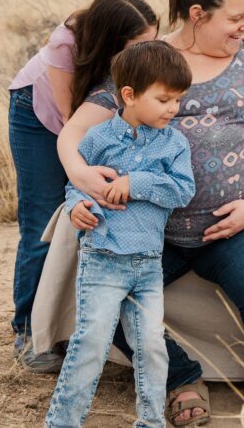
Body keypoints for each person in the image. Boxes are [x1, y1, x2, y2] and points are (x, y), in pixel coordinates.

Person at [65, 0, 244, 426]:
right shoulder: (147, 61)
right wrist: (80, 174)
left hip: (237, 219)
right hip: (153, 224)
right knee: (104, 302)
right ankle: (179, 377)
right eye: (235, 18)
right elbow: (75, 131)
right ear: (197, 14)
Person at [7, 0, 158, 371]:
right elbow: (70, 120)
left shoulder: (133, 44)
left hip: (88, 119)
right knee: (43, 219)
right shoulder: (65, 43)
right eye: (138, 45)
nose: (147, 52)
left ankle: (67, 324)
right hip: (40, 118)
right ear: (111, 41)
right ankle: (28, 332)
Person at [46, 42, 195, 428]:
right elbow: (77, 184)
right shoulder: (98, 139)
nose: (173, 108)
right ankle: (62, 422)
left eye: (178, 99)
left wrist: (136, 182)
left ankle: (150, 422)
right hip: (102, 259)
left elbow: (182, 191)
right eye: (164, 99)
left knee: (152, 348)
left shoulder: (175, 144)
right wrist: (79, 205)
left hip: (147, 265)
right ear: (129, 95)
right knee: (90, 344)